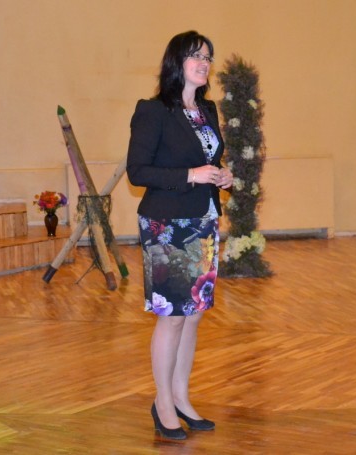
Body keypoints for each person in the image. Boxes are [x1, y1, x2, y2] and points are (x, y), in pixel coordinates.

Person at [126, 30, 233, 441]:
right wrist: (191, 175)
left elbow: (208, 160)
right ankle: (163, 403)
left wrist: (221, 175)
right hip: (166, 224)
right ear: (176, 62)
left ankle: (181, 397)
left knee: (193, 315)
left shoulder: (207, 110)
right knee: (172, 318)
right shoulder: (153, 111)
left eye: (207, 57)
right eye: (195, 56)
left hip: (203, 219)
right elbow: (139, 171)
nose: (204, 63)